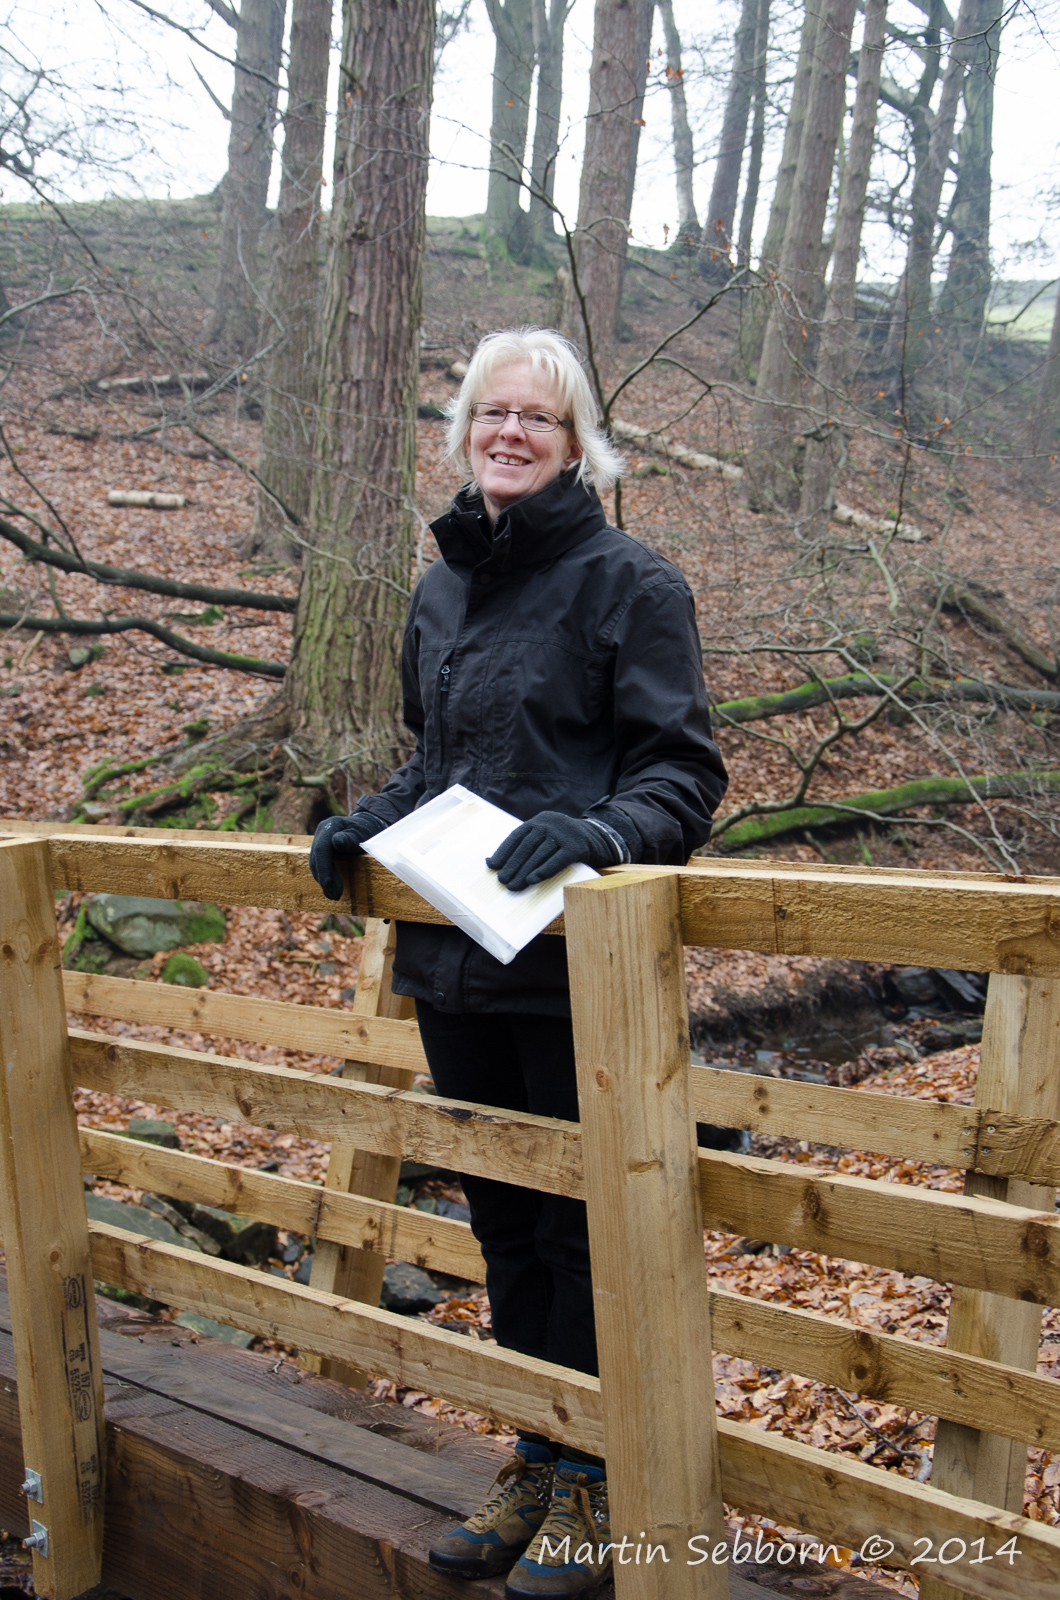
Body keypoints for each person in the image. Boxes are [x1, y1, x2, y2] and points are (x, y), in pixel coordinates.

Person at [309, 326, 727, 1598]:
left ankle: (600, 1478)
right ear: (463, 433)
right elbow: (435, 763)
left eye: (536, 417)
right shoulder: (437, 589)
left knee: (582, 1225)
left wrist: (598, 832)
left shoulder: (631, 585)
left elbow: (682, 775)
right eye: (491, 412)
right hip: (450, 960)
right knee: (499, 1216)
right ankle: (538, 1457)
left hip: (571, 967)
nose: (509, 432)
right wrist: (365, 822)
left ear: (576, 443)